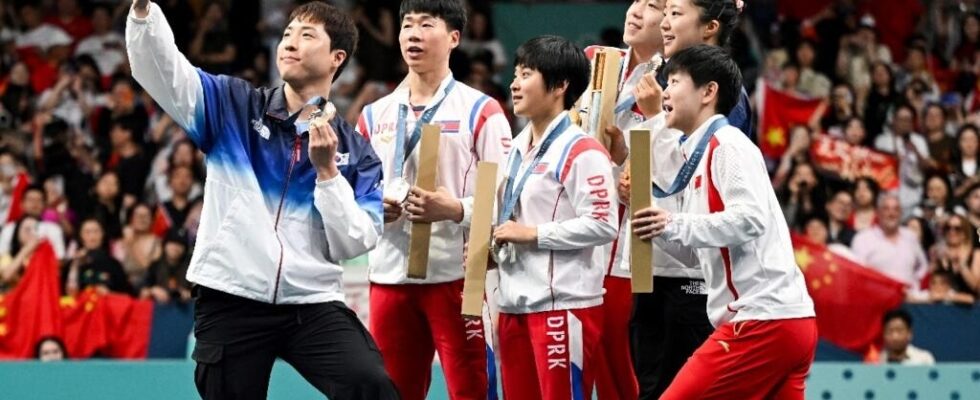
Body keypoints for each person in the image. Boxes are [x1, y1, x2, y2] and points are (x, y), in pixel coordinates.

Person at [126, 1, 397, 399]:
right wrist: (144, 10)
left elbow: (353, 241)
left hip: (311, 301)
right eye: (288, 33)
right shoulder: (232, 105)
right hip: (232, 295)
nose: (290, 42)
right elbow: (164, 71)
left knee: (370, 385)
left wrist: (327, 174)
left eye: (307, 35)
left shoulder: (355, 152)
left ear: (337, 58)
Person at [632, 45, 816, 399]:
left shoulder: (727, 144)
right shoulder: (698, 155)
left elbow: (749, 220)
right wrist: (654, 229)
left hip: (761, 321)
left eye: (674, 81)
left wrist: (671, 223)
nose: (664, 91)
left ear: (708, 91)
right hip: (785, 321)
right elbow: (699, 251)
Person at [357, 1, 511, 399]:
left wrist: (457, 209)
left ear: (454, 38)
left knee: (471, 388)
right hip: (389, 275)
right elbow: (355, 193)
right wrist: (377, 209)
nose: (413, 34)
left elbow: (510, 197)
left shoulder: (482, 110)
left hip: (457, 276)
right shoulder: (374, 115)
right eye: (407, 25)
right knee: (394, 390)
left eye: (427, 25)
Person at [495, 35, 618, 400]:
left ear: (560, 85)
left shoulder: (582, 149)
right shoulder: (517, 148)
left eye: (526, 74)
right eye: (515, 74)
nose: (514, 84)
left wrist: (532, 234)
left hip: (562, 307)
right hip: (513, 302)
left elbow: (603, 224)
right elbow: (504, 209)